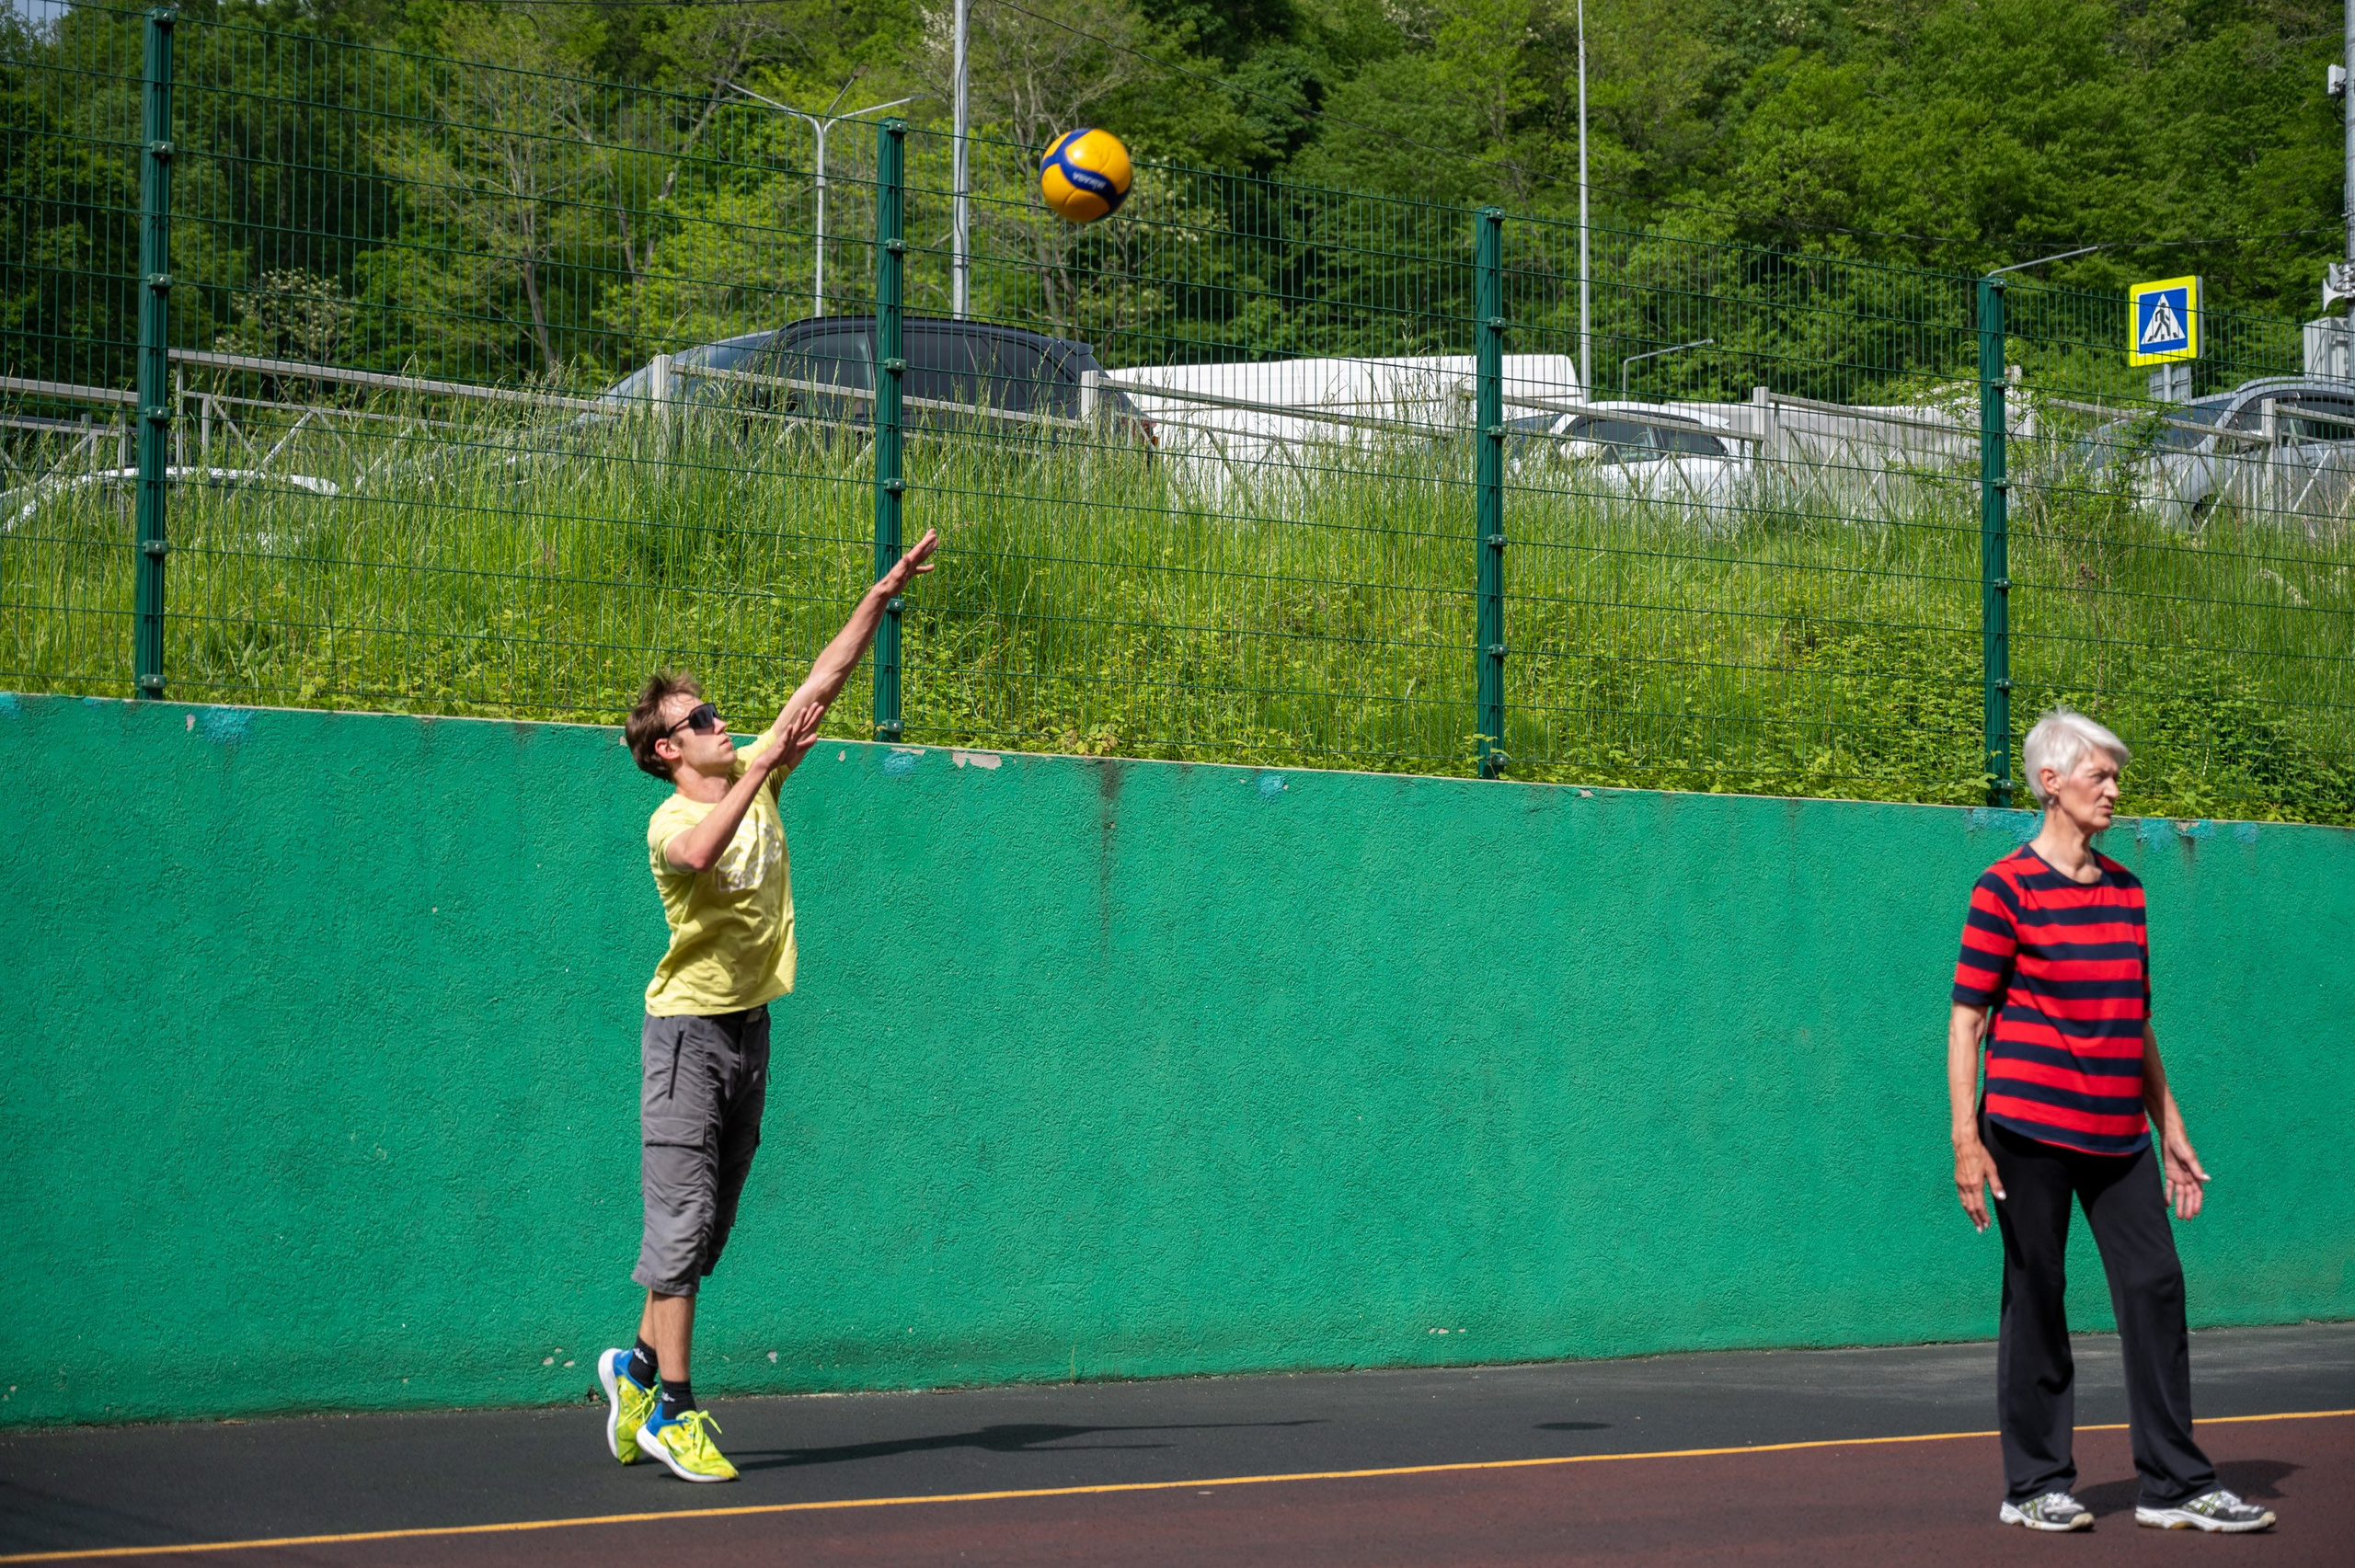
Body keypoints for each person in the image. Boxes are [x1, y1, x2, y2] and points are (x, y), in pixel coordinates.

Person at [596, 529, 940, 1483]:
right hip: (684, 1037)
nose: (722, 723)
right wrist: (759, 767)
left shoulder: (755, 770)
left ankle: (632, 1370)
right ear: (668, 748)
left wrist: (881, 594)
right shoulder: (670, 817)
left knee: (705, 1234)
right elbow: (701, 853)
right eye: (701, 718)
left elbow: (822, 681)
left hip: (750, 1031)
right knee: (677, 1229)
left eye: (717, 712)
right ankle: (674, 1410)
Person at [1947, 707, 2272, 1533]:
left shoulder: (2127, 890)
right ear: (2050, 782)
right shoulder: (2003, 888)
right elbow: (1967, 1019)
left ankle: (2174, 1483)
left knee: (2155, 1284)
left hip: (2118, 1133)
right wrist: (1965, 1139)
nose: (2115, 791)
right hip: (2026, 1128)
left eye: (2117, 777)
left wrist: (2171, 1126)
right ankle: (2034, 1483)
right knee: (2038, 1293)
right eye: (2100, 775)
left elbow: (2137, 1018)